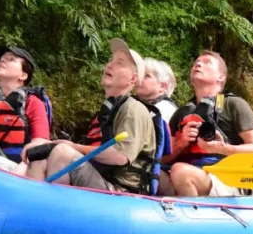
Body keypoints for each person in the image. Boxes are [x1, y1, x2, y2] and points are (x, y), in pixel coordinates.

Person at [27, 39, 162, 193]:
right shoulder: (110, 109)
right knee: (38, 161)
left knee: (62, 153)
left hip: (120, 192)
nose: (110, 65)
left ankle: (52, 210)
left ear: (133, 79)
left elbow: (120, 157)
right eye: (111, 60)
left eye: (120, 63)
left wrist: (74, 147)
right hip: (102, 179)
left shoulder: (133, 108)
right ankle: (31, 209)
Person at [164, 51, 253, 197]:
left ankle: (195, 215)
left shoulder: (234, 105)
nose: (198, 64)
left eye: (207, 63)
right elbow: (164, 158)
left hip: (226, 179)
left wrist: (221, 148)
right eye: (196, 63)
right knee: (153, 175)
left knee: (180, 171)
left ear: (221, 77)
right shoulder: (182, 113)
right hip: (185, 174)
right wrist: (181, 142)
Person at [137, 58, 179, 123]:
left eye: (147, 76)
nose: (139, 78)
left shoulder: (164, 109)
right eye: (141, 74)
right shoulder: (137, 105)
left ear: (162, 86)